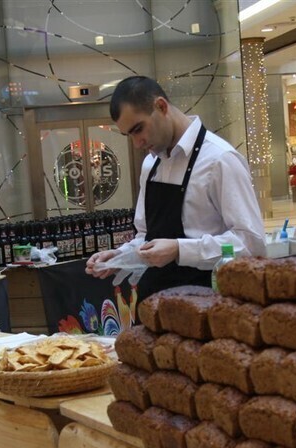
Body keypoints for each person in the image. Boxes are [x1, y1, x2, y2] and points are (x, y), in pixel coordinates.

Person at [86, 76, 266, 300]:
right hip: (154, 303)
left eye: (138, 129)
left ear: (161, 106)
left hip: (208, 304)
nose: (137, 143)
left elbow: (251, 243)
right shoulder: (151, 164)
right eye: (129, 135)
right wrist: (120, 256)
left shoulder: (220, 159)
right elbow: (147, 237)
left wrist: (180, 250)